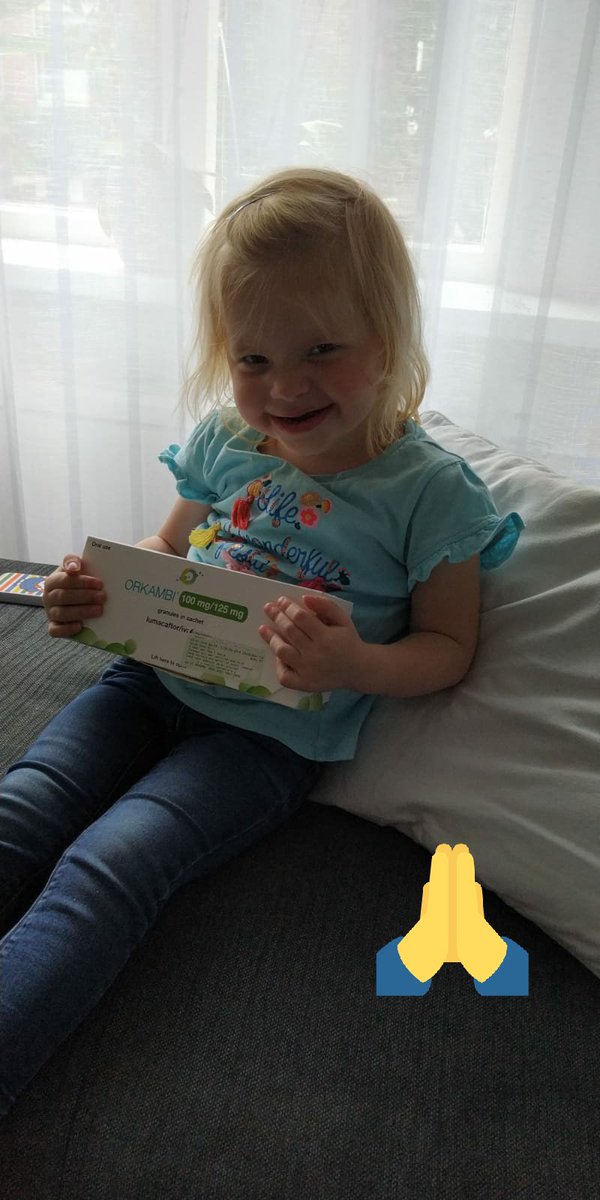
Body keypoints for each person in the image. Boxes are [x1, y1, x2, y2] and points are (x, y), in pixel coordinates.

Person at [0, 167, 524, 1115]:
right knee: (24, 805)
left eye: (321, 349)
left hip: (266, 740)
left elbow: (450, 646)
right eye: (252, 360)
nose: (285, 386)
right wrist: (97, 589)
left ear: (389, 337)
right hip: (146, 683)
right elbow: (170, 549)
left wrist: (356, 663)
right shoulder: (226, 441)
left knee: (111, 867)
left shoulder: (431, 493)